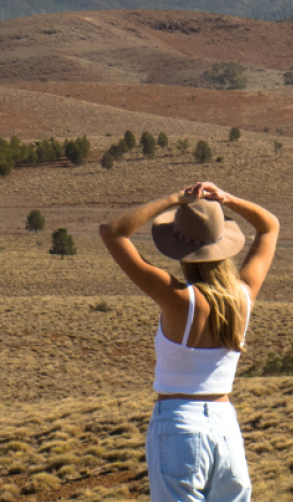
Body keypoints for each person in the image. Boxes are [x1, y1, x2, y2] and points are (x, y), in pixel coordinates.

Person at [99, 181, 280, 502]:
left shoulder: (178, 299)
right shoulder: (244, 295)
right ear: (224, 242)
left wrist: (174, 199)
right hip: (225, 425)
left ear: (179, 249)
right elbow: (269, 228)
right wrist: (227, 198)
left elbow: (113, 232)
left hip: (180, 423)